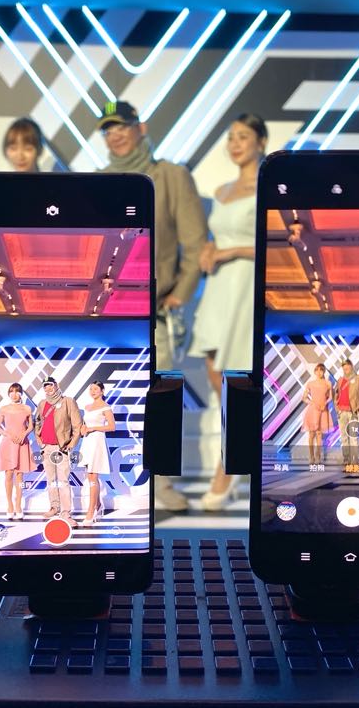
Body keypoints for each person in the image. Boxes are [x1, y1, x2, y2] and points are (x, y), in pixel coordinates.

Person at [98, 100, 207, 511]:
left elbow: (195, 244)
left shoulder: (171, 176)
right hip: (108, 313)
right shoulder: (98, 182)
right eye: (108, 129)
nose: (115, 135)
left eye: (122, 126)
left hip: (154, 312)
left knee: (159, 402)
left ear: (140, 127)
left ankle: (160, 485)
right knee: (108, 400)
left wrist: (181, 291)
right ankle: (113, 486)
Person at [189, 114, 266, 509]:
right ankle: (240, 450)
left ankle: (228, 465)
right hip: (219, 287)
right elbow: (215, 237)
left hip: (247, 285)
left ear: (261, 142)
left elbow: (274, 242)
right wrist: (208, 249)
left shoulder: (267, 187)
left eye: (244, 136)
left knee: (238, 378)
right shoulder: (221, 190)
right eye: (232, 137)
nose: (236, 144)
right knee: (215, 372)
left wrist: (231, 250)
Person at [34, 376, 83, 521]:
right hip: (47, 447)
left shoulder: (68, 401)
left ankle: (65, 511)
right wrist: (39, 439)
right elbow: (37, 421)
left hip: (62, 448)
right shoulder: (42, 403)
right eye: (45, 386)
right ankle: (54, 507)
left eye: (50, 384)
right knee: (51, 480)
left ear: (56, 385)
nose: (48, 388)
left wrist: (71, 444)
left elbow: (77, 425)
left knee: (63, 481)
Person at [0, 383, 35, 519]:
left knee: (20, 475)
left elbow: (30, 427)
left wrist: (24, 434)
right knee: (9, 474)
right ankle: (10, 505)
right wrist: (8, 434)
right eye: (12, 392)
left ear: (21, 394)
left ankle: (18, 505)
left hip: (22, 443)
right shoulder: (4, 408)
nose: (14, 394)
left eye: (17, 392)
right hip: (8, 444)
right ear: (9, 394)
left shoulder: (27, 408)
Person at [78, 381, 115, 524]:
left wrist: (94, 428)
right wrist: (83, 429)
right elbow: (84, 425)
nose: (93, 391)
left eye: (95, 389)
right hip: (87, 441)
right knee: (90, 477)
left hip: (97, 441)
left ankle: (91, 511)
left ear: (102, 391)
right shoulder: (87, 407)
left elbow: (112, 427)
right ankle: (98, 505)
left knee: (93, 475)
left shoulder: (106, 407)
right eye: (91, 389)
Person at [333, 359, 359, 473]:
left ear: (352, 366)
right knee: (344, 438)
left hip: (353, 413)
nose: (346, 370)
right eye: (344, 368)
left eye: (347, 367)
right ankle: (346, 461)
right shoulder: (340, 380)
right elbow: (336, 395)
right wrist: (337, 409)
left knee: (354, 438)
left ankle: (355, 462)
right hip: (342, 413)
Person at [301, 362, 333, 466]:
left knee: (319, 434)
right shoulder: (310, 383)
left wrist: (325, 403)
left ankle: (318, 456)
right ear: (315, 372)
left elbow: (330, 397)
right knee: (311, 434)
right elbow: (304, 397)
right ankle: (311, 456)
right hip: (313, 410)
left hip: (323, 410)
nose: (319, 372)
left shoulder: (328, 383)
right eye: (317, 370)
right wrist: (312, 403)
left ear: (324, 371)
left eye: (321, 370)